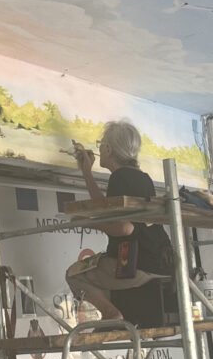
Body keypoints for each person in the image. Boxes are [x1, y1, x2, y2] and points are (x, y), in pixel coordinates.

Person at [66, 119, 173, 320]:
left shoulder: (120, 177)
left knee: (75, 274)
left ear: (108, 148)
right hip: (159, 261)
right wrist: (87, 173)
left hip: (138, 264)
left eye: (101, 144)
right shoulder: (142, 177)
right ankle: (114, 312)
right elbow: (106, 209)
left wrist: (87, 222)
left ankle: (111, 313)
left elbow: (124, 228)